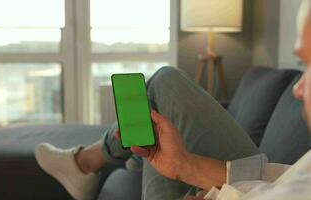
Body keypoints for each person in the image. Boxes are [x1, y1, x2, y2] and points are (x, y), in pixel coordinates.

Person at [35, 0, 311, 199]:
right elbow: (283, 182)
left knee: (163, 84)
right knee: (161, 90)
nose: (297, 88)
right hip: (249, 181)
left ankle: (87, 162)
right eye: (304, 64)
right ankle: (95, 161)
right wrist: (183, 165)